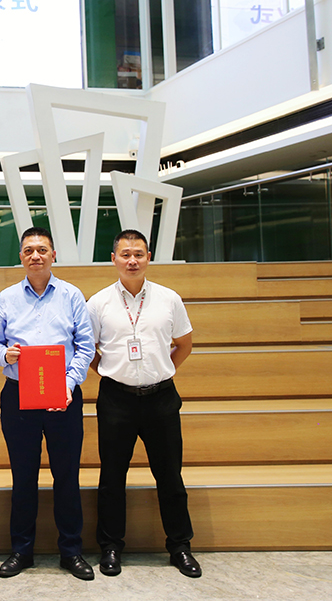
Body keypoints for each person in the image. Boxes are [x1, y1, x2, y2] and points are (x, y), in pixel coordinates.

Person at [87, 229, 201, 579]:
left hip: (161, 399)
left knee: (169, 476)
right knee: (111, 477)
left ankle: (180, 546)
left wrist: (162, 370)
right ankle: (110, 547)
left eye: (138, 254)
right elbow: (88, 351)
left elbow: (184, 344)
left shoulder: (169, 298)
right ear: (114, 259)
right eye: (125, 255)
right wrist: (112, 372)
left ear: (148, 257)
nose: (132, 261)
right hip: (116, 400)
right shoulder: (99, 303)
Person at [0, 226, 96, 581]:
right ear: (21, 257)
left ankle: (71, 551)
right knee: (23, 477)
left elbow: (85, 346)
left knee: (67, 475)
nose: (35, 255)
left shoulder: (71, 295)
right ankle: (21, 550)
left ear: (53, 255)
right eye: (29, 250)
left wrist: (68, 383)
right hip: (19, 395)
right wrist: (5, 354)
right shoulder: (7, 297)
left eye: (42, 250)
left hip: (63, 396)